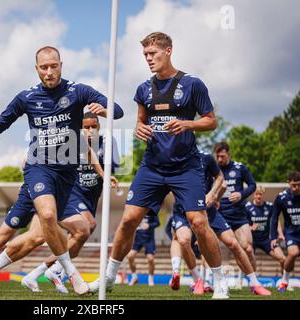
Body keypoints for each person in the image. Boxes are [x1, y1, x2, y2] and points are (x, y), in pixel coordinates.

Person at [0, 46, 123, 296]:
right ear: (37, 69)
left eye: (53, 66)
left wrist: (106, 110)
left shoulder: (79, 91)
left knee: (41, 234)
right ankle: (70, 274)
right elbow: (3, 120)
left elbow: (118, 110)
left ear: (61, 65)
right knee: (46, 216)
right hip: (39, 168)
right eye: (44, 67)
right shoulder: (27, 97)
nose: (49, 71)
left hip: (67, 174)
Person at [89, 31, 230, 299]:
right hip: (152, 166)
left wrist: (187, 123)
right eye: (145, 55)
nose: (148, 59)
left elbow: (211, 120)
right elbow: (141, 121)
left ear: (168, 51)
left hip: (185, 167)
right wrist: (139, 129)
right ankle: (108, 278)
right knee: (129, 219)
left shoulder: (192, 84)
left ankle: (220, 282)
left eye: (152, 54)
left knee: (199, 222)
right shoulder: (143, 88)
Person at [22, 112, 119, 293]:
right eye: (86, 127)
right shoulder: (71, 144)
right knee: (88, 225)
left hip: (90, 198)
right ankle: (53, 271)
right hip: (72, 194)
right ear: (80, 128)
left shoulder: (107, 144)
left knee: (79, 238)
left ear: (99, 127)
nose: (90, 130)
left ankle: (42, 272)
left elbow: (110, 168)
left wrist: (107, 176)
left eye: (94, 127)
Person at [172, 151, 271, 296]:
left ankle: (255, 283)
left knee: (234, 244)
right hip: (183, 209)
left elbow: (221, 181)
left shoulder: (205, 158)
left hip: (207, 210)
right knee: (184, 240)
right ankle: (198, 280)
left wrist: (214, 196)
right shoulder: (172, 159)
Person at [214, 141, 257, 289]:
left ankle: (253, 282)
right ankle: (209, 282)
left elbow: (252, 185)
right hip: (220, 216)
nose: (220, 159)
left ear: (229, 154)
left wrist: (241, 194)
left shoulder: (239, 168)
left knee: (248, 248)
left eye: (223, 156)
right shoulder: (212, 170)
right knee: (214, 249)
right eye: (218, 156)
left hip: (239, 216)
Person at [271, 171, 300, 292]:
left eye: (299, 184)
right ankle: (284, 280)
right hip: (291, 232)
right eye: (294, 185)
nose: (296, 188)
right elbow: (274, 217)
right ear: (288, 183)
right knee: (293, 253)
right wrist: (273, 236)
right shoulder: (281, 197)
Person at [245, 186, 286, 271]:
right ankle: (241, 280)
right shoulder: (247, 207)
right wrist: (250, 227)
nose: (258, 196)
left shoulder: (269, 206)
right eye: (257, 194)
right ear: (253, 195)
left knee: (283, 259)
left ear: (264, 195)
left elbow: (276, 221)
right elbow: (242, 224)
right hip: (252, 240)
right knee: (246, 261)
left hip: (266, 239)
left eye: (260, 194)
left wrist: (280, 234)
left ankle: (283, 281)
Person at [127, 214, 160, 286]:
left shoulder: (152, 211)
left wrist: (149, 225)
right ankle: (134, 277)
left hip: (149, 239)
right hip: (137, 238)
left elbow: (157, 223)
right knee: (130, 256)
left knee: (150, 259)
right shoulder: (137, 209)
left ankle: (150, 278)